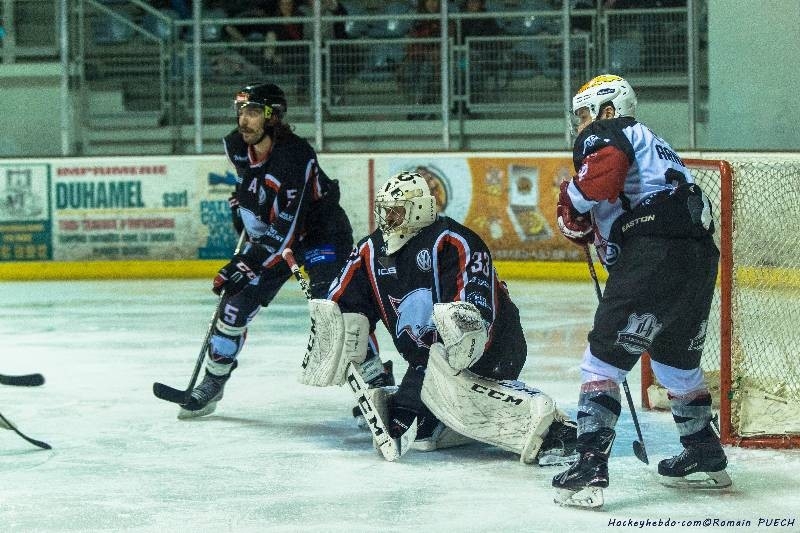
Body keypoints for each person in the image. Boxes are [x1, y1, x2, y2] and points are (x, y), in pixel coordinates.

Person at [301, 170, 578, 463]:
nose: (387, 220)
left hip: (495, 348)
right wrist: (351, 352)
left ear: (419, 209)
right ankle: (447, 414)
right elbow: (341, 306)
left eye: (395, 211)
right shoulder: (369, 251)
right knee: (413, 429)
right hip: (426, 363)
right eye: (383, 211)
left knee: (450, 370)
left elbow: (476, 316)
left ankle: (550, 426)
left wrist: (455, 360)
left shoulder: (453, 242)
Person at [551, 74, 728, 508]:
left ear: (607, 110)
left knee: (601, 362)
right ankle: (705, 453)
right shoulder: (656, 144)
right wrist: (587, 225)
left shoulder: (607, 132)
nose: (581, 125)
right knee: (675, 361)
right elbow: (619, 204)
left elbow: (603, 177)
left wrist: (570, 201)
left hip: (653, 250)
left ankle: (589, 467)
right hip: (698, 256)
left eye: (584, 114)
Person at [179, 82, 392, 418]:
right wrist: (246, 208)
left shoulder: (296, 156)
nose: (243, 120)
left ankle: (377, 382)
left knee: (336, 306)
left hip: (320, 232)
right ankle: (213, 381)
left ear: (272, 117)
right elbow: (253, 186)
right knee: (233, 309)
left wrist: (247, 263)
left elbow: (286, 230)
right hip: (272, 234)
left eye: (253, 112)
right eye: (242, 111)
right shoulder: (236, 145)